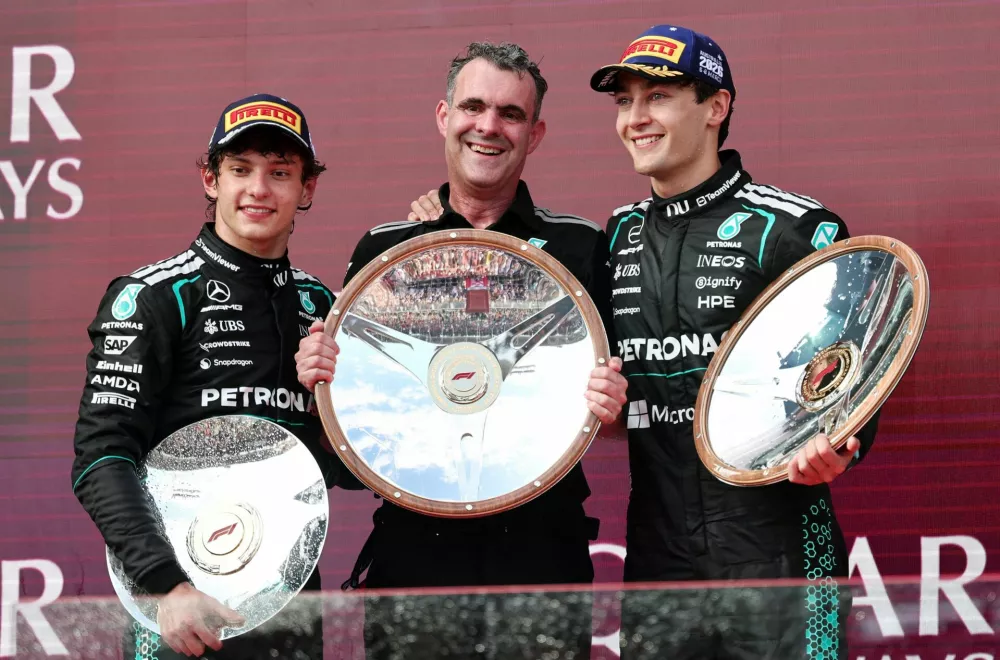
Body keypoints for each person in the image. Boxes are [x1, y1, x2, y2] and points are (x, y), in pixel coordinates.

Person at [294, 41, 628, 659]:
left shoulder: (580, 248)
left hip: (541, 550)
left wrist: (614, 408)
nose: (489, 127)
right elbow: (349, 448)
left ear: (536, 133)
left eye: (511, 114)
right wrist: (322, 390)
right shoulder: (384, 253)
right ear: (444, 116)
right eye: (473, 107)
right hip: (413, 550)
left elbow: (621, 417)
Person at [588, 24, 879, 659]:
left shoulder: (798, 229)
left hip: (781, 556)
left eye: (658, 97)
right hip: (659, 562)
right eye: (624, 101)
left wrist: (843, 446)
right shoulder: (615, 238)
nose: (635, 118)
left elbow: (859, 379)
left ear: (716, 108)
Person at [71, 93, 342, 659]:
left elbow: (353, 468)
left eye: (280, 172)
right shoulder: (152, 296)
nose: (259, 189)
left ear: (307, 188)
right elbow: (102, 456)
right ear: (210, 179)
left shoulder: (326, 307)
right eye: (240, 170)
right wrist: (164, 584)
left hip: (289, 602)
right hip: (179, 610)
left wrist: (336, 415)